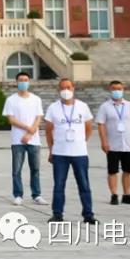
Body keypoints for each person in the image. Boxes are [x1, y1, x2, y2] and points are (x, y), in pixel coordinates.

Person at [44, 78, 97, 225]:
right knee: (59, 185)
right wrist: (51, 150)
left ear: (73, 88)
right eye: (62, 88)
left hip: (79, 153)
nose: (65, 90)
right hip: (60, 153)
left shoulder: (82, 106)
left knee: (84, 184)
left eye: (68, 87)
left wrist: (81, 141)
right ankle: (57, 213)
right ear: (59, 90)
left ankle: (88, 214)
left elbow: (88, 127)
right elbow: (48, 131)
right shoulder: (53, 108)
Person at [2, 72, 46, 206]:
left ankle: (36, 195)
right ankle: (18, 195)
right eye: (21, 80)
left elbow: (38, 117)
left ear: (29, 81)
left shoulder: (36, 99)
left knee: (35, 169)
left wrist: (31, 132)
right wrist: (27, 128)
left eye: (26, 80)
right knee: (17, 170)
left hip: (34, 140)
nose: (23, 82)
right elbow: (11, 119)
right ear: (16, 82)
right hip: (18, 140)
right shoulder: (11, 100)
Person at [96, 80, 130, 205]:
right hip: (112, 145)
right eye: (114, 89)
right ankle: (114, 194)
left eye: (119, 89)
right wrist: (104, 141)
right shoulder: (105, 107)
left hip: (128, 145)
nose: (117, 91)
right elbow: (101, 124)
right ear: (110, 90)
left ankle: (127, 194)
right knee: (112, 171)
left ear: (123, 89)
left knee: (128, 170)